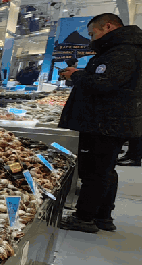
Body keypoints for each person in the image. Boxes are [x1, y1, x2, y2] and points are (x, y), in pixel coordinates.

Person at [58, 13, 142, 232]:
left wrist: (76, 76)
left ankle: (84, 218)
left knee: (94, 172)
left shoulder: (123, 52)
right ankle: (103, 216)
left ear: (108, 27)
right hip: (109, 121)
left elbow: (104, 83)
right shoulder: (121, 50)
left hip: (103, 122)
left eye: (92, 33)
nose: (91, 38)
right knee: (105, 169)